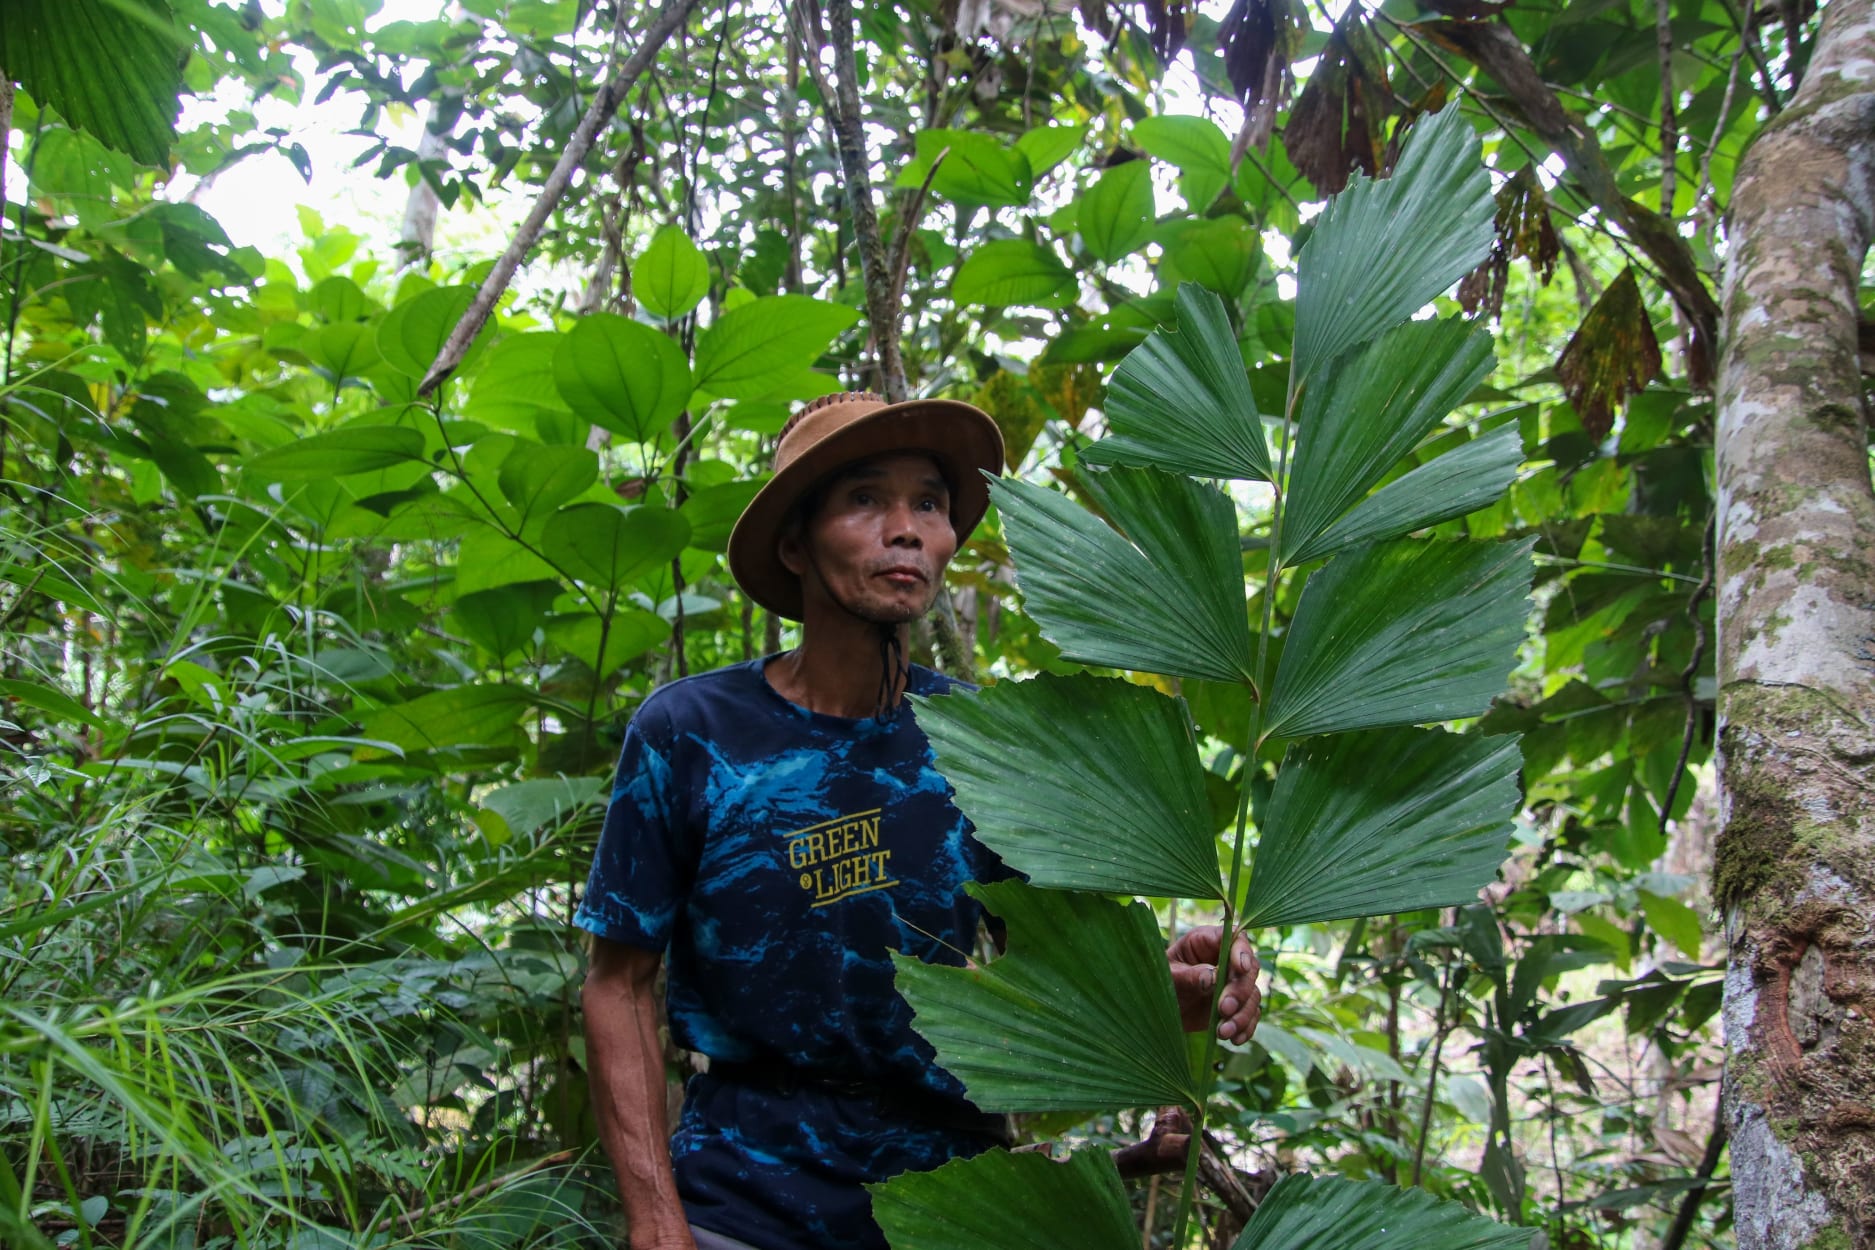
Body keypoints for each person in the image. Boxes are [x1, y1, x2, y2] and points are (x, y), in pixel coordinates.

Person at [576, 392, 1261, 1250]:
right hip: (743, 1198)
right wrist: (655, 1223)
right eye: (865, 499)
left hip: (951, 1204)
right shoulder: (692, 731)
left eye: (928, 503)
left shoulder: (984, 741)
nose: (905, 529)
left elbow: (1054, 973)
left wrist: (1169, 992)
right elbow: (618, 983)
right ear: (795, 543)